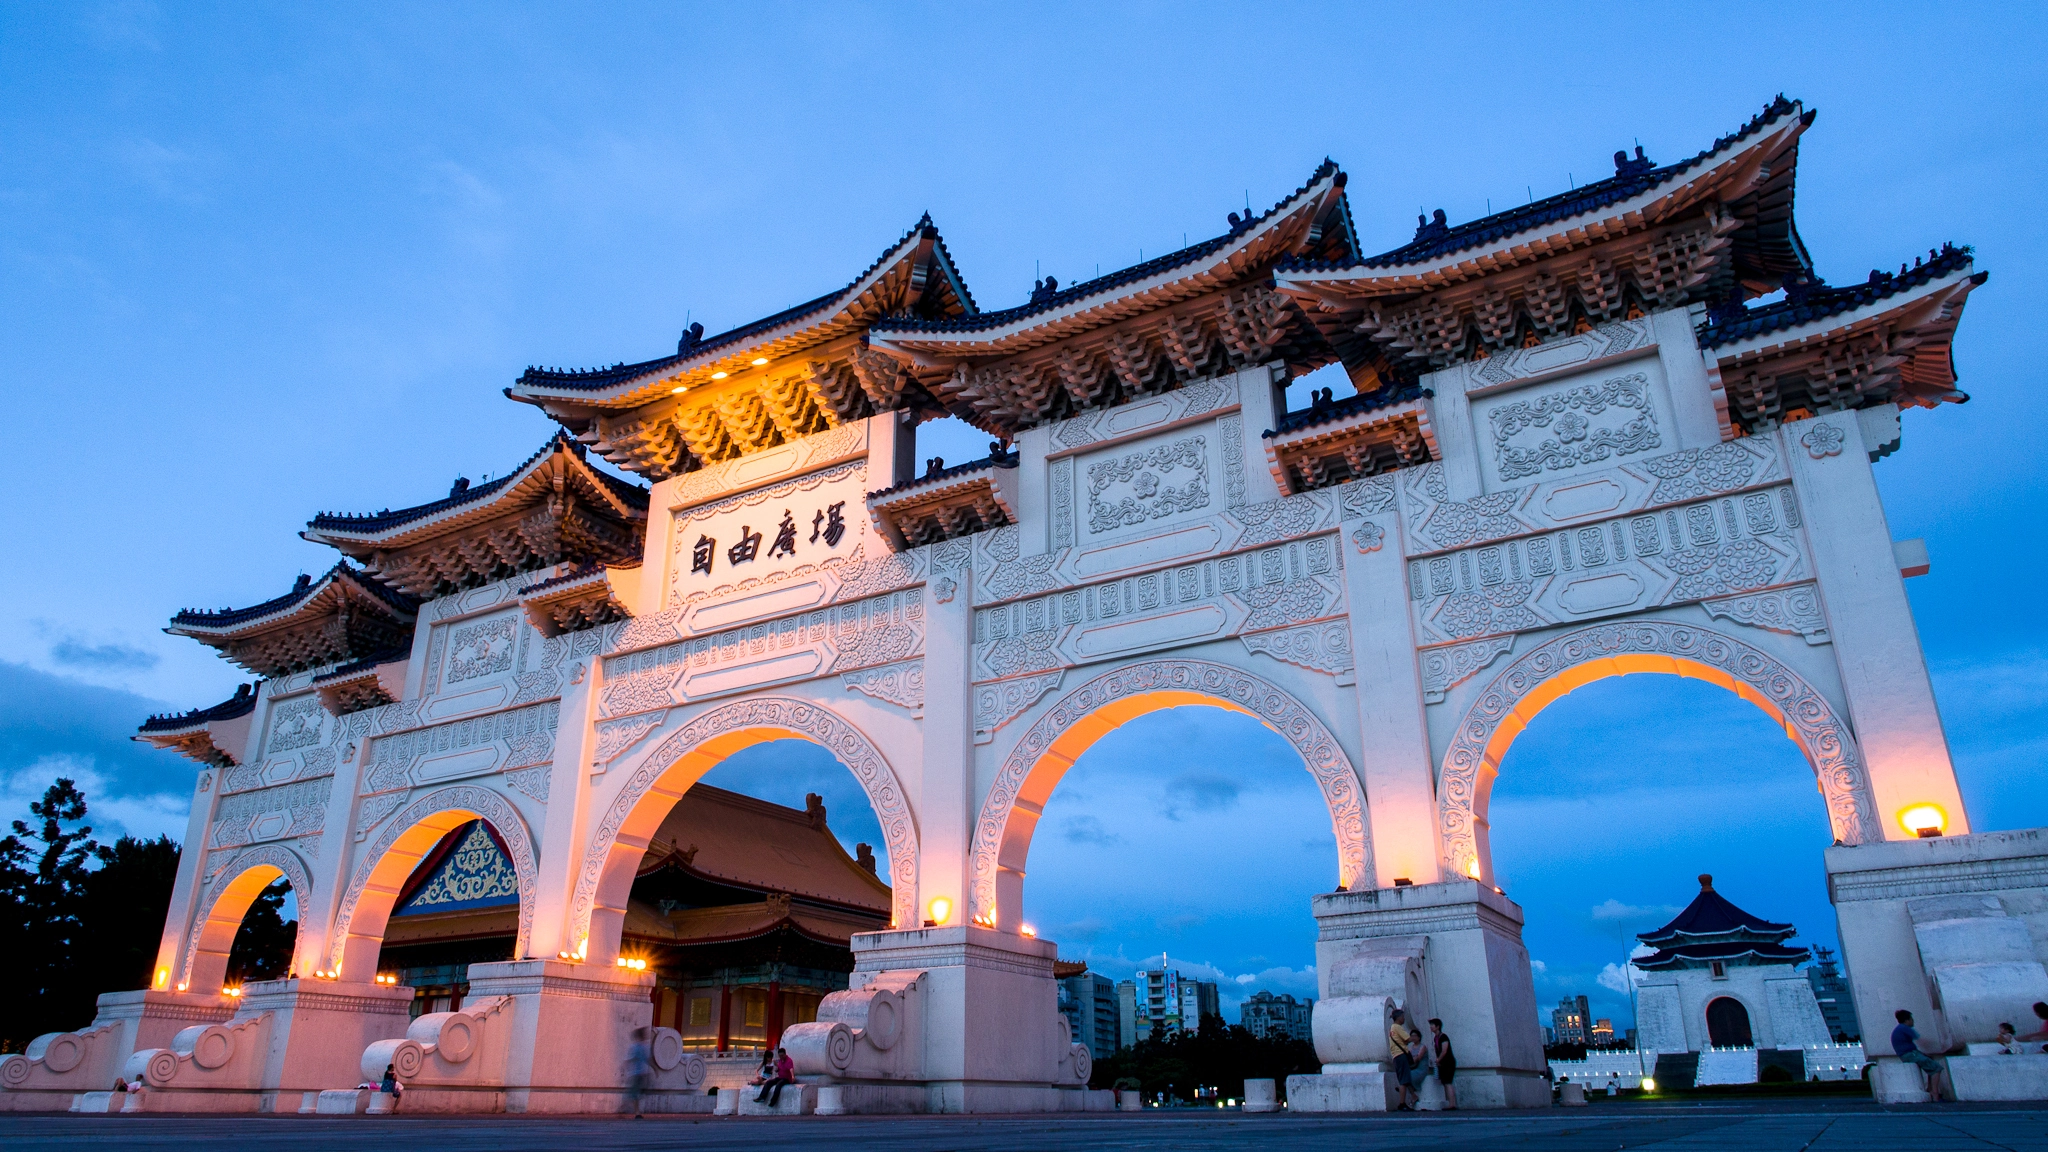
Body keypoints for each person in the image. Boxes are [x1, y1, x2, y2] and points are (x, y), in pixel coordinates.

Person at [1891, 1010, 1946, 1100]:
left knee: (1929, 1060)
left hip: (1908, 1054)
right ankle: (1935, 1092)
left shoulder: (1899, 1029)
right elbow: (1921, 1041)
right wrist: (1937, 1044)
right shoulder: (1905, 1028)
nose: (1913, 1021)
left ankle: (1929, 1088)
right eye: (1911, 1019)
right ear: (1906, 1020)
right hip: (1910, 1054)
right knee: (1936, 1068)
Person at [1387, 1009, 1418, 1110]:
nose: (1404, 1019)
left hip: (1396, 1056)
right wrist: (1415, 1038)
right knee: (1403, 1080)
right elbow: (1407, 1039)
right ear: (1399, 1017)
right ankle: (1402, 1103)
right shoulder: (1397, 1027)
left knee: (1403, 1078)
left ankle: (1409, 1098)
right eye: (1403, 1017)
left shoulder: (1392, 1028)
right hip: (1401, 1055)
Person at [1428, 1018, 1458, 1110]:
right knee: (1445, 1082)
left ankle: (1452, 1104)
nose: (1431, 1027)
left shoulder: (1443, 1037)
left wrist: (1438, 1060)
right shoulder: (1436, 1038)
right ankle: (1450, 1103)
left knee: (1448, 1082)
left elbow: (1444, 1050)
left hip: (1448, 1062)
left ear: (1438, 1026)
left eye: (1432, 1025)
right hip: (1443, 1063)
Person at [625, 1027, 651, 1118]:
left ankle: (637, 1112)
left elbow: (631, 1058)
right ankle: (637, 1112)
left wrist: (625, 1065)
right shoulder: (643, 1046)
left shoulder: (635, 1046)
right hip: (640, 1073)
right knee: (636, 1093)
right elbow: (647, 1060)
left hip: (636, 1073)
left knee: (635, 1093)